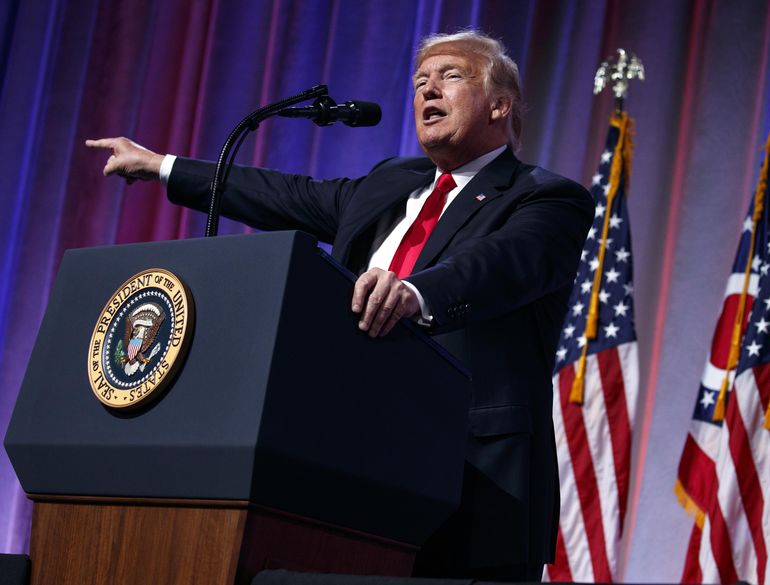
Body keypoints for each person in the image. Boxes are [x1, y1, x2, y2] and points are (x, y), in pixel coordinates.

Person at [87, 30, 594, 581]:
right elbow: (287, 193)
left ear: (500, 104)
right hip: (354, 465)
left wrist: (415, 292)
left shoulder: (546, 197)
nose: (428, 90)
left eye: (450, 76)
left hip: (473, 479)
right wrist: (162, 165)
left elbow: (501, 266)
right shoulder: (391, 182)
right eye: (421, 81)